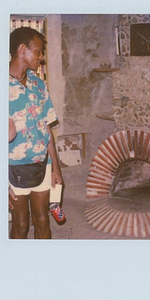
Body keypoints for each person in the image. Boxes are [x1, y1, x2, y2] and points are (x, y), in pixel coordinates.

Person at [9, 27, 63, 239]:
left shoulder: (38, 84)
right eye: (39, 51)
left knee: (42, 221)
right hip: (12, 171)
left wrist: (56, 169)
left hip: (42, 166)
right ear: (22, 49)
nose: (41, 58)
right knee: (21, 224)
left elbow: (46, 127)